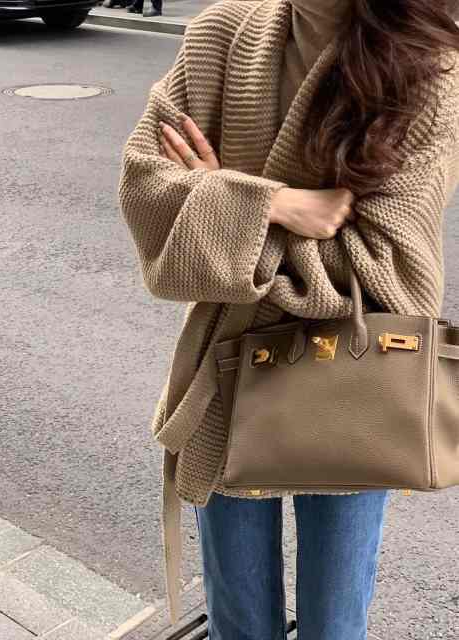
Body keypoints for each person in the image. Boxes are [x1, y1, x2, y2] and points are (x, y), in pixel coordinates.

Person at [117, 1, 459, 638]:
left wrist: (221, 211)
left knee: (335, 624)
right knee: (238, 622)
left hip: (358, 383)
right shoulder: (219, 35)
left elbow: (395, 275)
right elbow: (145, 191)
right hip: (224, 382)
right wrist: (274, 203)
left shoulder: (423, 65)